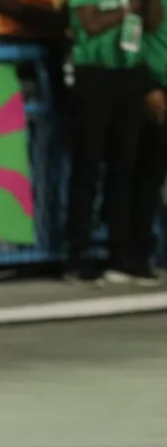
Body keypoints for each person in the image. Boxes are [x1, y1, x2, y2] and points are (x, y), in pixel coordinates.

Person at [65, 0, 152, 282]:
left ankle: (121, 254)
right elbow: (90, 24)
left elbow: (152, 22)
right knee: (88, 167)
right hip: (94, 74)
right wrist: (127, 10)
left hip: (129, 72)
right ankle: (77, 254)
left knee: (124, 168)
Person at [128, 0, 167, 284]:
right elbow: (131, 41)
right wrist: (147, 86)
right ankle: (138, 255)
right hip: (156, 89)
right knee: (149, 176)